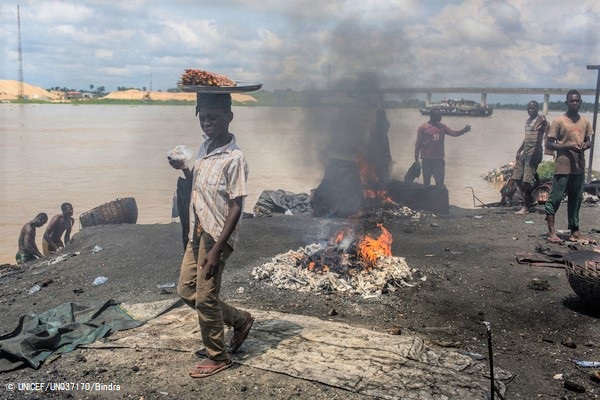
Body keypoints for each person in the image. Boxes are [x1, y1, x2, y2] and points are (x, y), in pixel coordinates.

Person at [168, 92, 254, 378]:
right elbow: (200, 185)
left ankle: (218, 357)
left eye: (213, 117)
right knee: (185, 290)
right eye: (203, 117)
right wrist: (184, 170)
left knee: (205, 297)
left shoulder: (235, 158)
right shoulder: (205, 148)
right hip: (198, 229)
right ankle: (240, 320)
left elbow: (236, 205)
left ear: (229, 118)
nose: (207, 123)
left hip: (217, 235)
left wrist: (217, 249)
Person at [545, 90, 594, 243]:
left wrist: (585, 145)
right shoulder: (558, 121)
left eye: (577, 101)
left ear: (580, 102)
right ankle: (552, 232)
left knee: (576, 198)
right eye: (571, 101)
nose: (574, 103)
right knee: (556, 198)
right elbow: (548, 143)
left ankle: (575, 231)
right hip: (563, 164)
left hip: (578, 165)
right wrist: (567, 146)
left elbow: (589, 140)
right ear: (566, 103)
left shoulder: (585, 121)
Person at [414, 110, 471, 185]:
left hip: (439, 161)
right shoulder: (423, 128)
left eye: (440, 115)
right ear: (432, 116)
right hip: (427, 161)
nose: (440, 117)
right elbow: (418, 144)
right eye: (439, 116)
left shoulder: (442, 127)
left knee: (440, 184)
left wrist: (463, 131)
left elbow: (453, 133)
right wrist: (416, 160)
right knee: (426, 184)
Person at [511, 101, 547, 214]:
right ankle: (530, 199)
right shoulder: (527, 121)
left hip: (534, 153)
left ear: (537, 109)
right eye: (529, 108)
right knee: (516, 177)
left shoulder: (540, 120)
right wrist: (519, 150)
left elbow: (544, 121)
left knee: (527, 181)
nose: (530, 110)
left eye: (533, 108)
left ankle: (526, 207)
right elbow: (526, 138)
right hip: (525, 152)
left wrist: (542, 122)